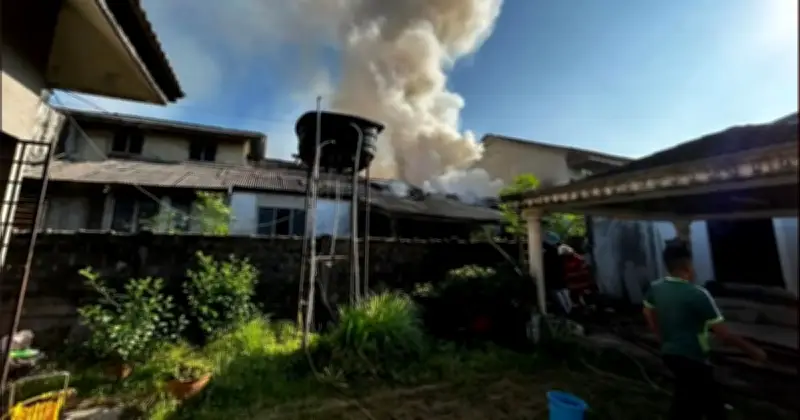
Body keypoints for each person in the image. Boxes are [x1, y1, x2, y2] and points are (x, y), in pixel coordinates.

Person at [643, 240, 767, 420]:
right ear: (687, 266)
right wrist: (753, 350)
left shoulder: (655, 288)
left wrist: (661, 337)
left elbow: (648, 313)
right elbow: (723, 333)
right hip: (694, 358)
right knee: (707, 406)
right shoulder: (698, 294)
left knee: (690, 399)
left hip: (670, 354)